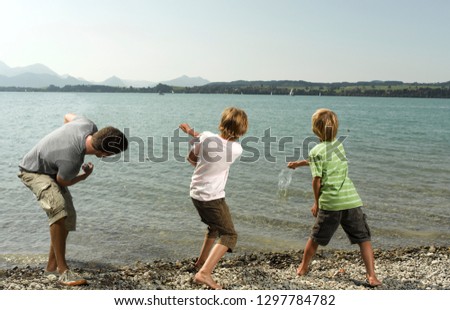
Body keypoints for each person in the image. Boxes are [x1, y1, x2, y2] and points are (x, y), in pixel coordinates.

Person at [18, 113, 128, 286]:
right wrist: (84, 176)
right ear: (104, 153)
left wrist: (62, 138)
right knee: (59, 210)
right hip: (33, 171)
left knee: (67, 217)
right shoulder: (72, 159)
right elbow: (63, 181)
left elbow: (68, 116)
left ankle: (52, 265)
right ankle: (63, 271)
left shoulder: (87, 124)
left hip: (53, 168)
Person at [288, 108, 382, 287]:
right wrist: (300, 163)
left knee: (315, 238)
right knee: (364, 238)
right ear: (336, 128)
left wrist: (316, 203)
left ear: (315, 129)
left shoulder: (316, 150)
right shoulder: (339, 145)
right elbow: (324, 159)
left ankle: (302, 268)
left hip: (330, 204)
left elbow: (317, 181)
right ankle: (372, 276)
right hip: (351, 201)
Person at [179, 107, 248, 290]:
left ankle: (201, 262)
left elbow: (191, 158)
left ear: (221, 123)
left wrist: (189, 132)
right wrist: (192, 133)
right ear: (242, 130)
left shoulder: (207, 137)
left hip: (197, 193)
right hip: (212, 197)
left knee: (215, 228)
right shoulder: (237, 149)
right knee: (230, 235)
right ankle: (204, 273)